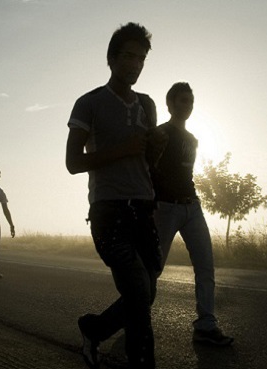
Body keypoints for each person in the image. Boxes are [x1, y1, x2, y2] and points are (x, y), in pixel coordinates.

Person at [66, 22, 166, 369]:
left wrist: (156, 150)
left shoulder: (148, 105)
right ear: (112, 59)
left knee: (146, 293)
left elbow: (148, 162)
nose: (135, 65)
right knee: (138, 292)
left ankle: (94, 329)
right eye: (128, 56)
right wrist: (122, 149)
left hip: (143, 208)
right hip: (109, 211)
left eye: (141, 59)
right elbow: (73, 162)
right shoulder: (89, 103)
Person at [150, 82, 234, 346]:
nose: (187, 106)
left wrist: (192, 200)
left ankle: (206, 325)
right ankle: (136, 319)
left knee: (205, 265)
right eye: (182, 101)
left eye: (190, 102)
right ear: (170, 104)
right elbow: (149, 170)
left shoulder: (193, 140)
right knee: (153, 268)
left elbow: (186, 174)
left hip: (191, 207)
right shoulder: (159, 134)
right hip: (164, 208)